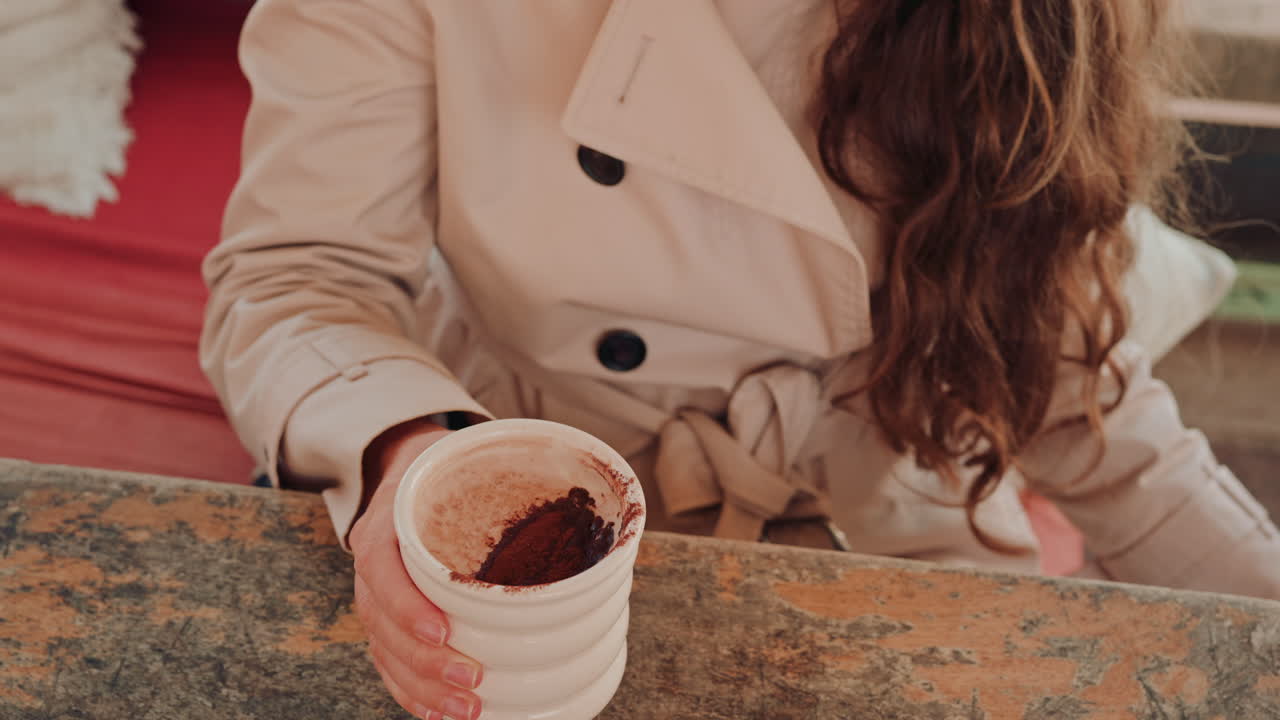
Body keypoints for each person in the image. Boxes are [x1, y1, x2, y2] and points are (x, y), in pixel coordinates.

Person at [201, 1, 1280, 718]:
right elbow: (301, 279)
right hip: (536, 516)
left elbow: (1069, 386)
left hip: (890, 524)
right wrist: (409, 460)